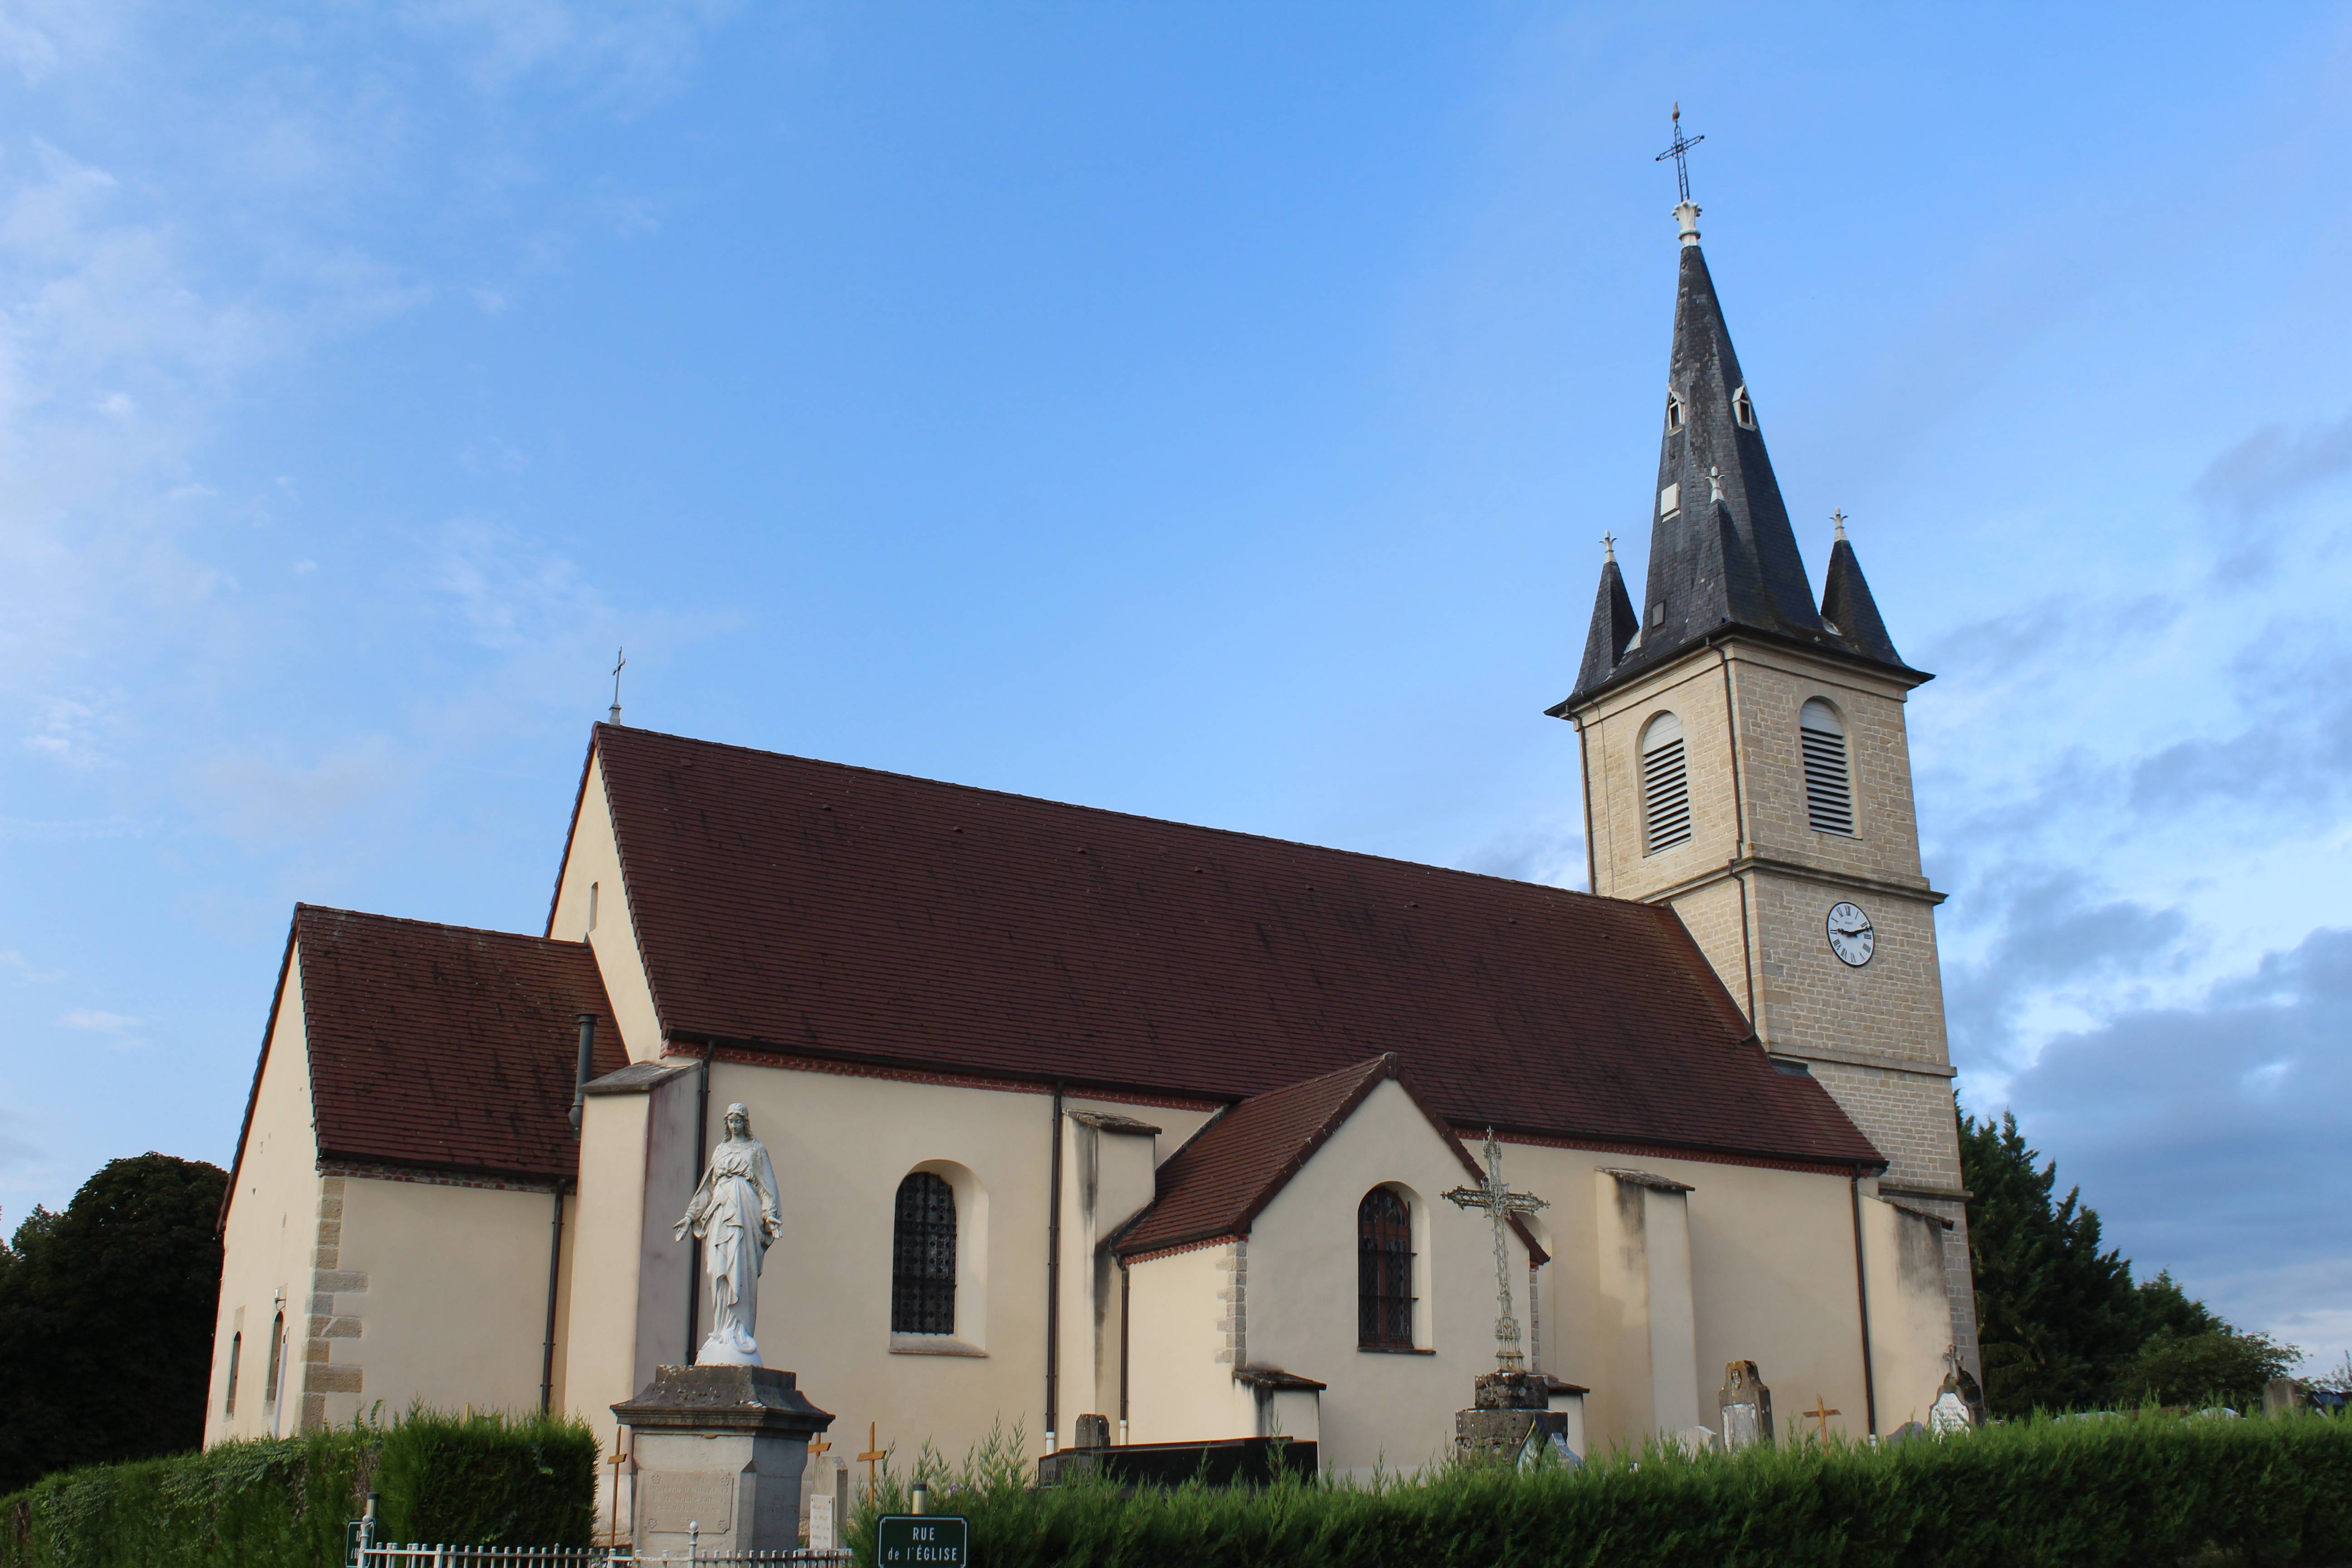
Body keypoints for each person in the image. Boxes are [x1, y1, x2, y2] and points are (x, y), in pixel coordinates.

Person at [675, 1102, 783, 1365]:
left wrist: (771, 1217)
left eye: (738, 1121)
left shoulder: (756, 1151)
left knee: (741, 1271)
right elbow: (706, 1189)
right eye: (730, 1122)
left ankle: (739, 1331)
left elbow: (768, 1188)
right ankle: (722, 1331)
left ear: (745, 1123)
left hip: (746, 1213)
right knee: (716, 1270)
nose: (734, 1126)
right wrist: (690, 1217)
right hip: (721, 1213)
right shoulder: (721, 1150)